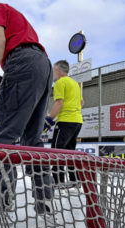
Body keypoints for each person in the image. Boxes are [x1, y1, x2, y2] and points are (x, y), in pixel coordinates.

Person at [0, 0, 53, 214]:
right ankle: (44, 200)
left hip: (21, 62)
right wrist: (4, 79)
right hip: (43, 65)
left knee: (2, 138)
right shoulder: (14, 15)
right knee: (33, 141)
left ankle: (0, 199)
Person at [44, 60, 84, 188]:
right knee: (70, 152)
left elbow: (59, 103)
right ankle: (75, 180)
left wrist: (49, 120)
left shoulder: (60, 82)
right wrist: (73, 110)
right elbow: (82, 103)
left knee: (57, 151)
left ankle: (58, 181)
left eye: (53, 70)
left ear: (58, 70)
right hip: (77, 121)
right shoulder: (75, 84)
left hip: (66, 121)